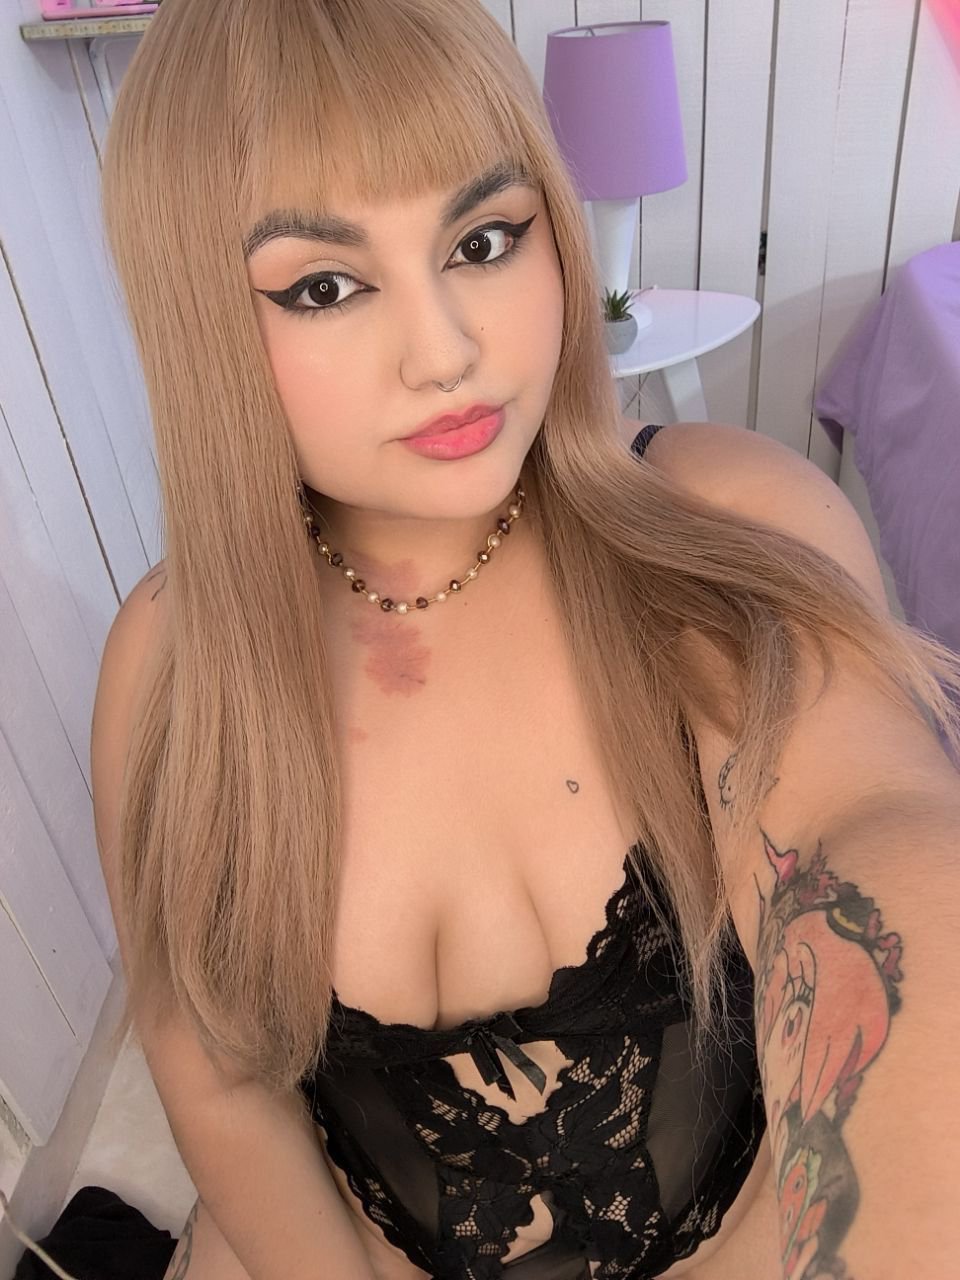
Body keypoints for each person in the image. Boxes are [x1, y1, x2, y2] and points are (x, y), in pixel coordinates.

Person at [88, 1, 960, 1278]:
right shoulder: (171, 670)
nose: (448, 350)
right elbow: (210, 1074)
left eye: (484, 239)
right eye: (325, 286)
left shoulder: (723, 531)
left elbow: (877, 834)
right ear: (199, 322)